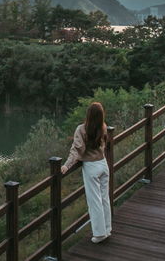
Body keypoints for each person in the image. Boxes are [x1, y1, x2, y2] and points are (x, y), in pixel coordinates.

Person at [60, 102, 112, 243]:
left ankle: (100, 234)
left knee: (94, 201)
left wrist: (66, 165)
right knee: (104, 198)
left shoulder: (82, 129)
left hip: (91, 167)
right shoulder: (104, 127)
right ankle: (107, 229)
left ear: (88, 114)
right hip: (103, 164)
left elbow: (77, 150)